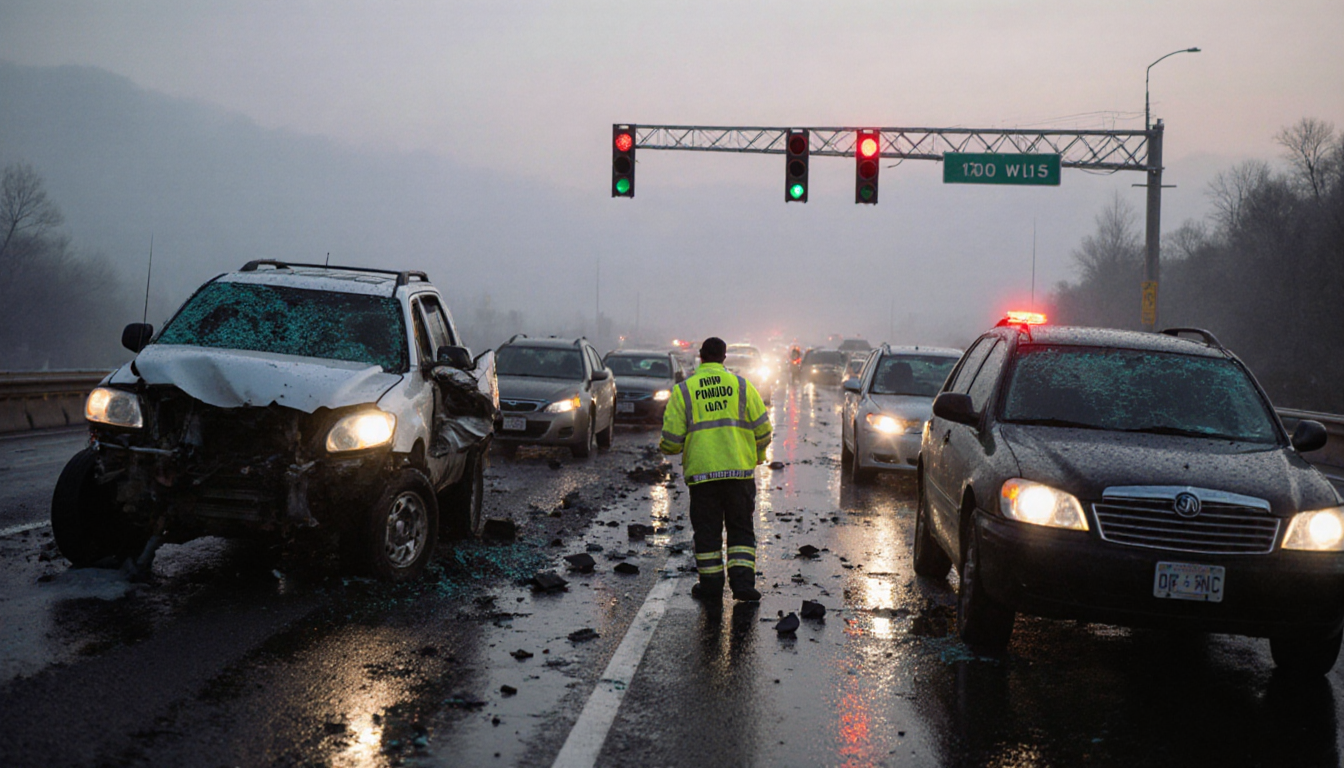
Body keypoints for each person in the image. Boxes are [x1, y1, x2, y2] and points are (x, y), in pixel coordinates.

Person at [659, 337, 772, 601]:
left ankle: (710, 587)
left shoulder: (684, 390)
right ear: (724, 357)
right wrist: (758, 455)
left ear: (700, 356)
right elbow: (764, 430)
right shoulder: (742, 386)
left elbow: (671, 441)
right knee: (741, 529)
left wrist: (671, 447)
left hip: (703, 476)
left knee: (707, 532)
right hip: (739, 475)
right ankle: (743, 586)